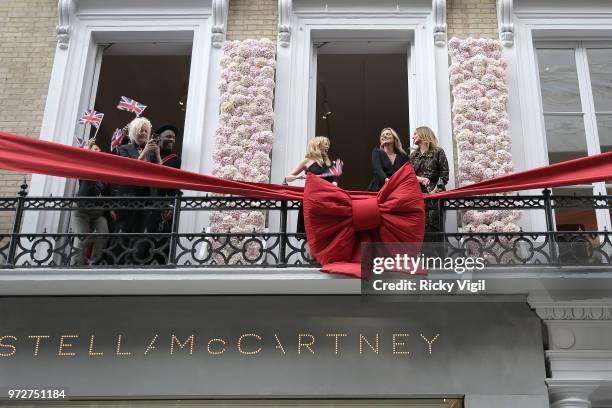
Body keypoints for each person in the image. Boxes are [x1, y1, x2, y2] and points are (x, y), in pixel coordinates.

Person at [112, 117, 160, 262]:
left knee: (140, 233)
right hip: (128, 197)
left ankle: (135, 262)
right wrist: (145, 152)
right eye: (140, 130)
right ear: (133, 131)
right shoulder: (124, 149)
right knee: (124, 231)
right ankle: (119, 263)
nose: (143, 133)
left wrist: (157, 155)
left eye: (146, 131)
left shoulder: (151, 152)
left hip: (145, 198)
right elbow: (129, 170)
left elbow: (160, 172)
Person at [71, 140, 116, 265]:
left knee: (103, 233)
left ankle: (94, 262)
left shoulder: (104, 172)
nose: (99, 151)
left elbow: (107, 194)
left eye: (99, 149)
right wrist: (87, 152)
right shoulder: (85, 168)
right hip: (82, 211)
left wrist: (110, 209)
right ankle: (77, 265)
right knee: (82, 238)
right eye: (95, 149)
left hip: (98, 213)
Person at [286, 136, 338, 233]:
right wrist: (301, 177)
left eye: (328, 145)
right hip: (312, 199)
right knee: (311, 232)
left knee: (326, 231)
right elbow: (288, 177)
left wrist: (335, 183)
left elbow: (334, 180)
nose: (328, 147)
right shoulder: (307, 161)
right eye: (325, 144)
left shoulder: (328, 162)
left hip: (326, 200)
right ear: (317, 146)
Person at [146, 125, 182, 264]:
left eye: (173, 137)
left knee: (161, 238)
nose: (171, 139)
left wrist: (172, 206)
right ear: (158, 138)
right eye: (168, 136)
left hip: (163, 204)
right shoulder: (149, 153)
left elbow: (169, 180)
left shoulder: (175, 159)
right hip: (146, 201)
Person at [409, 126, 449, 237]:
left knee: (434, 229)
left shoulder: (438, 152)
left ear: (423, 134)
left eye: (415, 134)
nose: (413, 137)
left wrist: (435, 192)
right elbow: (409, 176)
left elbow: (444, 176)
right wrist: (421, 179)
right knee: (418, 229)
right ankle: (421, 254)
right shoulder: (413, 156)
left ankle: (436, 254)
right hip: (417, 195)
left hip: (435, 195)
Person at [367, 127, 409, 192]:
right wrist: (387, 180)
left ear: (394, 138)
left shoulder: (403, 157)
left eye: (388, 134)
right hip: (378, 189)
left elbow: (406, 174)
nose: (385, 136)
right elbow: (378, 169)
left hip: (396, 190)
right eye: (382, 135)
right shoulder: (377, 152)